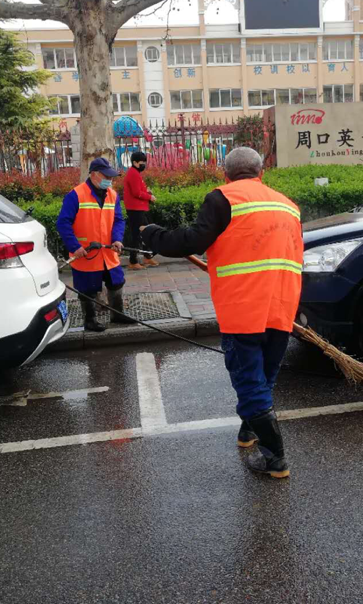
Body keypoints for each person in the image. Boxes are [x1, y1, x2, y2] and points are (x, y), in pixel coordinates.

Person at [141, 147, 303, 479]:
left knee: (249, 381)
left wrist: (152, 234)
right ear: (261, 174)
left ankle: (276, 459)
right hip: (282, 306)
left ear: (225, 175)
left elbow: (191, 240)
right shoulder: (288, 205)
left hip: (243, 310)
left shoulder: (223, 199)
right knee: (264, 377)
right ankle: (249, 430)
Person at [56, 157, 136, 332]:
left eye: (111, 177)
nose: (110, 180)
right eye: (106, 176)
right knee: (87, 289)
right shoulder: (76, 195)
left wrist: (117, 239)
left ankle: (117, 314)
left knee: (116, 282)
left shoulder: (112, 195)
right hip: (85, 253)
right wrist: (74, 246)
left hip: (108, 253)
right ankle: (90, 320)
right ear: (93, 174)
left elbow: (118, 220)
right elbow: (63, 223)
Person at [123, 151, 159, 270]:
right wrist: (150, 197)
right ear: (134, 162)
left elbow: (138, 190)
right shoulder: (133, 174)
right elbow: (136, 193)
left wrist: (147, 192)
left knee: (146, 232)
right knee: (137, 235)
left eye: (144, 162)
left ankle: (147, 257)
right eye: (141, 162)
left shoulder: (135, 173)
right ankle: (133, 261)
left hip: (139, 208)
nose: (143, 164)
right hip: (135, 209)